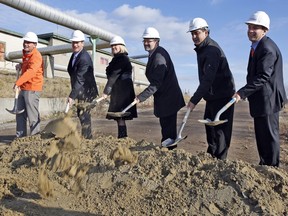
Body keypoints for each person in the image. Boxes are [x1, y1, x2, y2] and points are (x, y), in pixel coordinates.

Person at [233, 11, 287, 167]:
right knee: (262, 136)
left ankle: (271, 169)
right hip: (261, 100)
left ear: (265, 30)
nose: (251, 30)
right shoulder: (257, 47)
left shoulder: (267, 48)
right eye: (250, 26)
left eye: (255, 27)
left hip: (268, 100)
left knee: (269, 137)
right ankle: (265, 164)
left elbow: (263, 77)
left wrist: (241, 93)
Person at [187, 18, 235, 160]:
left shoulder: (211, 50)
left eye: (197, 33)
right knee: (210, 127)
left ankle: (220, 162)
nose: (194, 36)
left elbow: (208, 79)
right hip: (212, 96)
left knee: (220, 132)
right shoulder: (203, 48)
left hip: (223, 95)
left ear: (206, 32)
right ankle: (211, 158)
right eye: (192, 34)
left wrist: (194, 100)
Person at [135, 27, 185, 150]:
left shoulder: (158, 57)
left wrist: (140, 97)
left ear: (156, 41)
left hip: (169, 98)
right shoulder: (153, 54)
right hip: (165, 97)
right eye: (144, 40)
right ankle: (168, 150)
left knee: (169, 130)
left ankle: (170, 153)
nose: (146, 43)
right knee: (166, 127)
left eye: (149, 40)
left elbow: (156, 83)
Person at [102, 36, 137, 138]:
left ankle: (122, 138)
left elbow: (113, 76)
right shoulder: (116, 59)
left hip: (123, 92)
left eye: (116, 45)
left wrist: (106, 91)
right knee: (118, 117)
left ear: (121, 46)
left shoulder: (122, 58)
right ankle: (122, 137)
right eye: (112, 46)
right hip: (118, 90)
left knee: (120, 116)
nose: (114, 47)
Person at [67, 30, 98, 139]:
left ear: (82, 43)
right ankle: (86, 136)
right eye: (73, 42)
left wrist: (72, 95)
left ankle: (88, 138)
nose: (75, 44)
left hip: (87, 91)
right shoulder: (75, 55)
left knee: (84, 114)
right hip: (80, 90)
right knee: (81, 113)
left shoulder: (84, 58)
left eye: (78, 42)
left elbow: (80, 79)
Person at [14, 31, 44, 138]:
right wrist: (21, 66)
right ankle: (20, 138)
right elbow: (27, 68)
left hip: (32, 89)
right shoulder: (26, 55)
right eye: (25, 41)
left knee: (32, 116)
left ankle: (35, 139)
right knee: (20, 114)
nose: (26, 44)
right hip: (24, 88)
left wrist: (18, 82)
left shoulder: (36, 56)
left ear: (35, 45)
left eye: (29, 42)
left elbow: (32, 71)